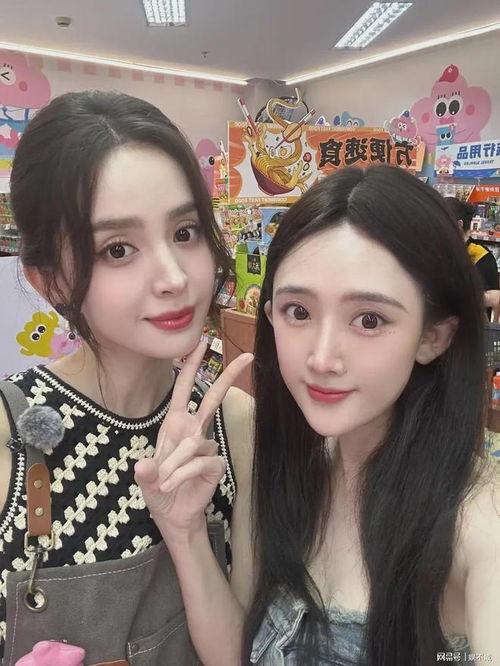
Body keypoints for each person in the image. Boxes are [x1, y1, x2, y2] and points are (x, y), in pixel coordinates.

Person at [136, 165, 500, 666]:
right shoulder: (285, 473)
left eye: (369, 319)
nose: (322, 358)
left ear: (432, 337)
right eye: (299, 312)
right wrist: (184, 532)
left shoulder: (478, 518)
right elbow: (236, 655)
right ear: (271, 318)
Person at [0, 90, 252, 664]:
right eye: (118, 249)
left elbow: (245, 653)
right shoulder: (10, 428)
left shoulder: (234, 423)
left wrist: (187, 534)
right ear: (50, 282)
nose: (174, 277)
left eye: (185, 232)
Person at [444, 196, 500, 317]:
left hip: (469, 322)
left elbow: (495, 298)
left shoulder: (481, 256)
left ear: (459, 225)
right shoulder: (438, 250)